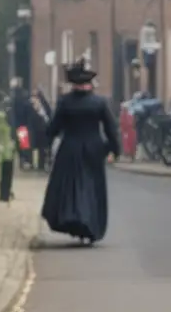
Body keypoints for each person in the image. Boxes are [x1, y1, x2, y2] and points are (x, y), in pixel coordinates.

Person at [42, 61, 119, 245]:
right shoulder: (99, 103)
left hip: (70, 148)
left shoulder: (65, 102)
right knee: (91, 188)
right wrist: (113, 149)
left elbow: (54, 127)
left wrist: (47, 143)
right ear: (90, 84)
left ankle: (73, 218)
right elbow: (111, 128)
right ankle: (89, 223)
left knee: (70, 186)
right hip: (93, 148)